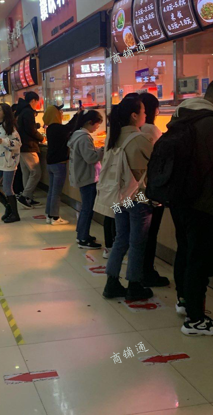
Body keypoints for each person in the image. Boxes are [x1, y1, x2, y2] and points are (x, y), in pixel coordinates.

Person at [165, 77, 213, 336]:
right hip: (204, 203)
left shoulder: (181, 116)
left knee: (185, 251)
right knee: (201, 260)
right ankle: (195, 320)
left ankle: (184, 301)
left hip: (179, 198)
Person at [97, 95, 154, 301]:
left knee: (121, 237)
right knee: (137, 241)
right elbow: (155, 165)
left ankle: (111, 282)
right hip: (137, 197)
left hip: (119, 197)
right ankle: (134, 285)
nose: (145, 115)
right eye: (143, 111)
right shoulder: (140, 139)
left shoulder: (113, 137)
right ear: (134, 115)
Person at [138, 92, 169, 288]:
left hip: (135, 191)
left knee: (140, 233)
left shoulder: (134, 130)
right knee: (149, 233)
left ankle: (140, 271)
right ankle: (146, 272)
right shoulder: (151, 130)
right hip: (150, 191)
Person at [68, 110, 104, 245]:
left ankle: (82, 233)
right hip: (87, 178)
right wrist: (103, 150)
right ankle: (83, 237)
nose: (97, 128)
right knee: (87, 208)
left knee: (86, 207)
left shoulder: (77, 135)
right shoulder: (84, 137)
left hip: (82, 176)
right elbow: (91, 158)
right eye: (97, 125)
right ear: (90, 122)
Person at [43, 104, 79, 225]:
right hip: (59, 164)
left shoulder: (50, 128)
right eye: (60, 112)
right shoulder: (57, 128)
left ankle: (49, 214)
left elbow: (67, 128)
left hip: (50, 163)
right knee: (57, 192)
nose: (61, 114)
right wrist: (78, 115)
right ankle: (55, 217)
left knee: (51, 191)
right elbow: (69, 127)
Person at [16, 91, 44, 208]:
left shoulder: (22, 111)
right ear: (33, 100)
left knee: (26, 173)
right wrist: (41, 138)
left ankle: (28, 198)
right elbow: (30, 130)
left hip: (22, 146)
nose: (37, 105)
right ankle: (25, 196)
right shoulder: (28, 112)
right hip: (29, 146)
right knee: (36, 172)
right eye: (37, 102)